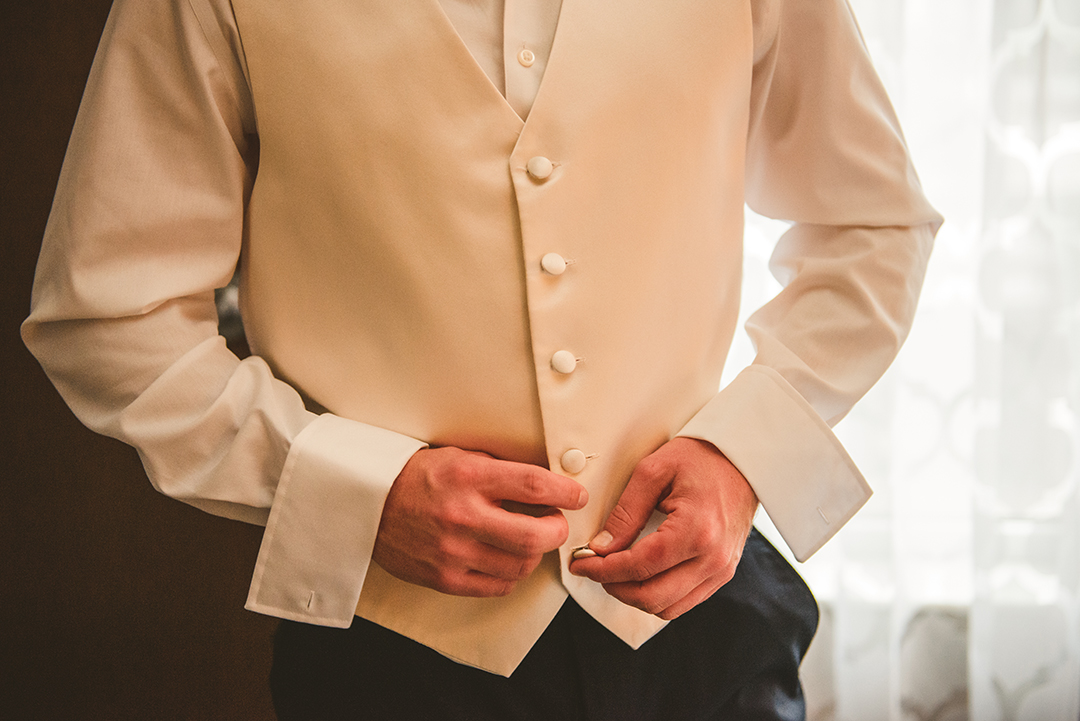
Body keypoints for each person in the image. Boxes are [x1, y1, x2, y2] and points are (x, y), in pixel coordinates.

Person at [23, 0, 942, 718]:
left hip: (708, 637)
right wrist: (357, 491)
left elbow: (874, 223)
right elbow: (107, 312)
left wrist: (743, 456)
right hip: (391, 666)